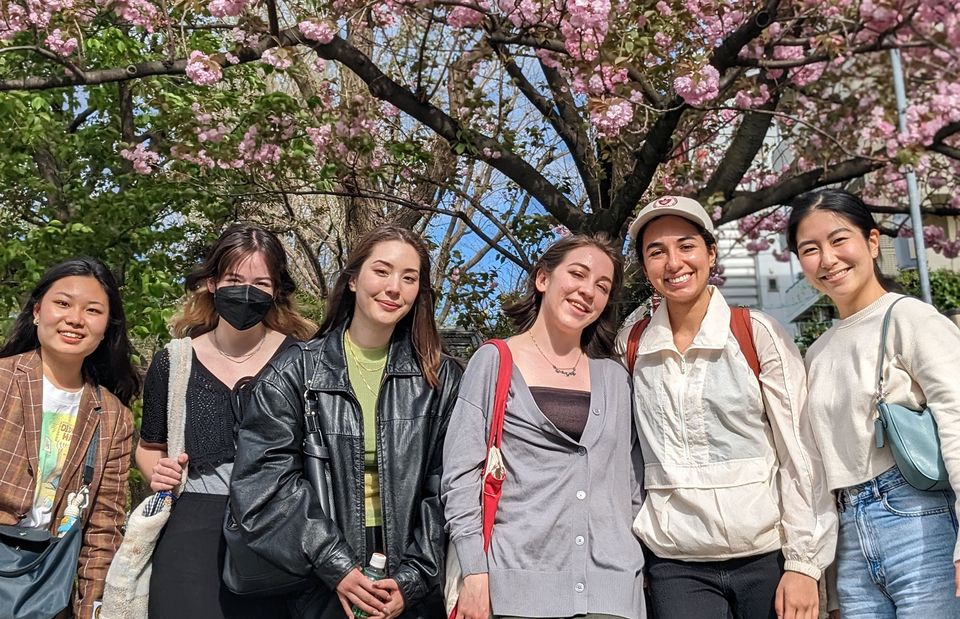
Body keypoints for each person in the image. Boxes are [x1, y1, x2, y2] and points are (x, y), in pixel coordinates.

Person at [230, 225, 464, 619]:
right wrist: (335, 564)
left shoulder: (441, 379)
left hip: (414, 587)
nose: (394, 288)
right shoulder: (296, 371)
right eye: (382, 271)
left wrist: (413, 578)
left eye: (409, 278)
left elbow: (449, 486)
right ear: (353, 279)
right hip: (320, 581)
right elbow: (264, 485)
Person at [622, 196, 836, 619]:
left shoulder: (756, 332)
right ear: (645, 267)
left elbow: (801, 454)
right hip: (675, 564)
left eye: (686, 245)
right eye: (656, 251)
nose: (673, 262)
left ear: (711, 252)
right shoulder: (631, 344)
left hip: (767, 557)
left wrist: (803, 564)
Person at [442, 234, 646, 619]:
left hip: (613, 593)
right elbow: (460, 476)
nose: (588, 291)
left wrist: (635, 563)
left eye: (602, 287)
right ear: (542, 279)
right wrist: (474, 570)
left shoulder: (615, 378)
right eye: (578, 274)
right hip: (514, 591)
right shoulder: (494, 361)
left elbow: (630, 484)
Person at [787, 188, 960, 618]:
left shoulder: (910, 318)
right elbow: (816, 462)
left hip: (920, 520)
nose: (827, 259)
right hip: (848, 535)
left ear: (870, 241)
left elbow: (957, 420)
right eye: (810, 249)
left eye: (838, 240)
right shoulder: (817, 351)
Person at [136, 223, 317, 618]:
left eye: (261, 282)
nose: (246, 292)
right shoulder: (175, 359)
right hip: (189, 534)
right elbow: (149, 448)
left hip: (278, 533)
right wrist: (158, 472)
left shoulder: (304, 360)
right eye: (234, 279)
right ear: (213, 283)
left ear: (276, 291)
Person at [0, 257, 139, 618]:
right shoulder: (2, 382)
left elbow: (103, 528)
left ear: (107, 328)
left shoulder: (112, 417)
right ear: (36, 311)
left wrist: (92, 608)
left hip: (45, 590)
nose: (75, 319)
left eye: (92, 310)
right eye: (62, 303)